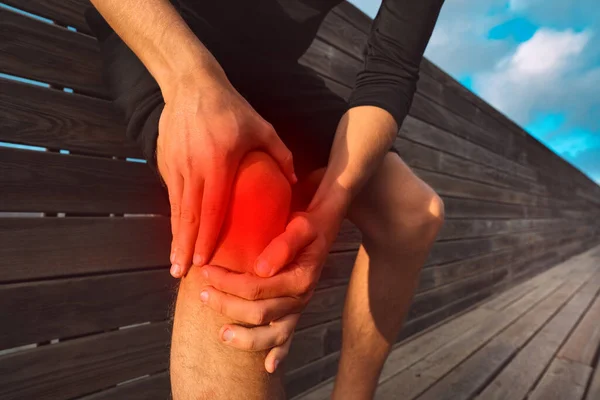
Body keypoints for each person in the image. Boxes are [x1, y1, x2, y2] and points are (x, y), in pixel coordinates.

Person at [85, 0, 445, 398]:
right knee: (247, 197)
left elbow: (389, 71)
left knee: (414, 212)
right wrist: (192, 80)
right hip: (168, 32)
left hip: (273, 68)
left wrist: (330, 206)